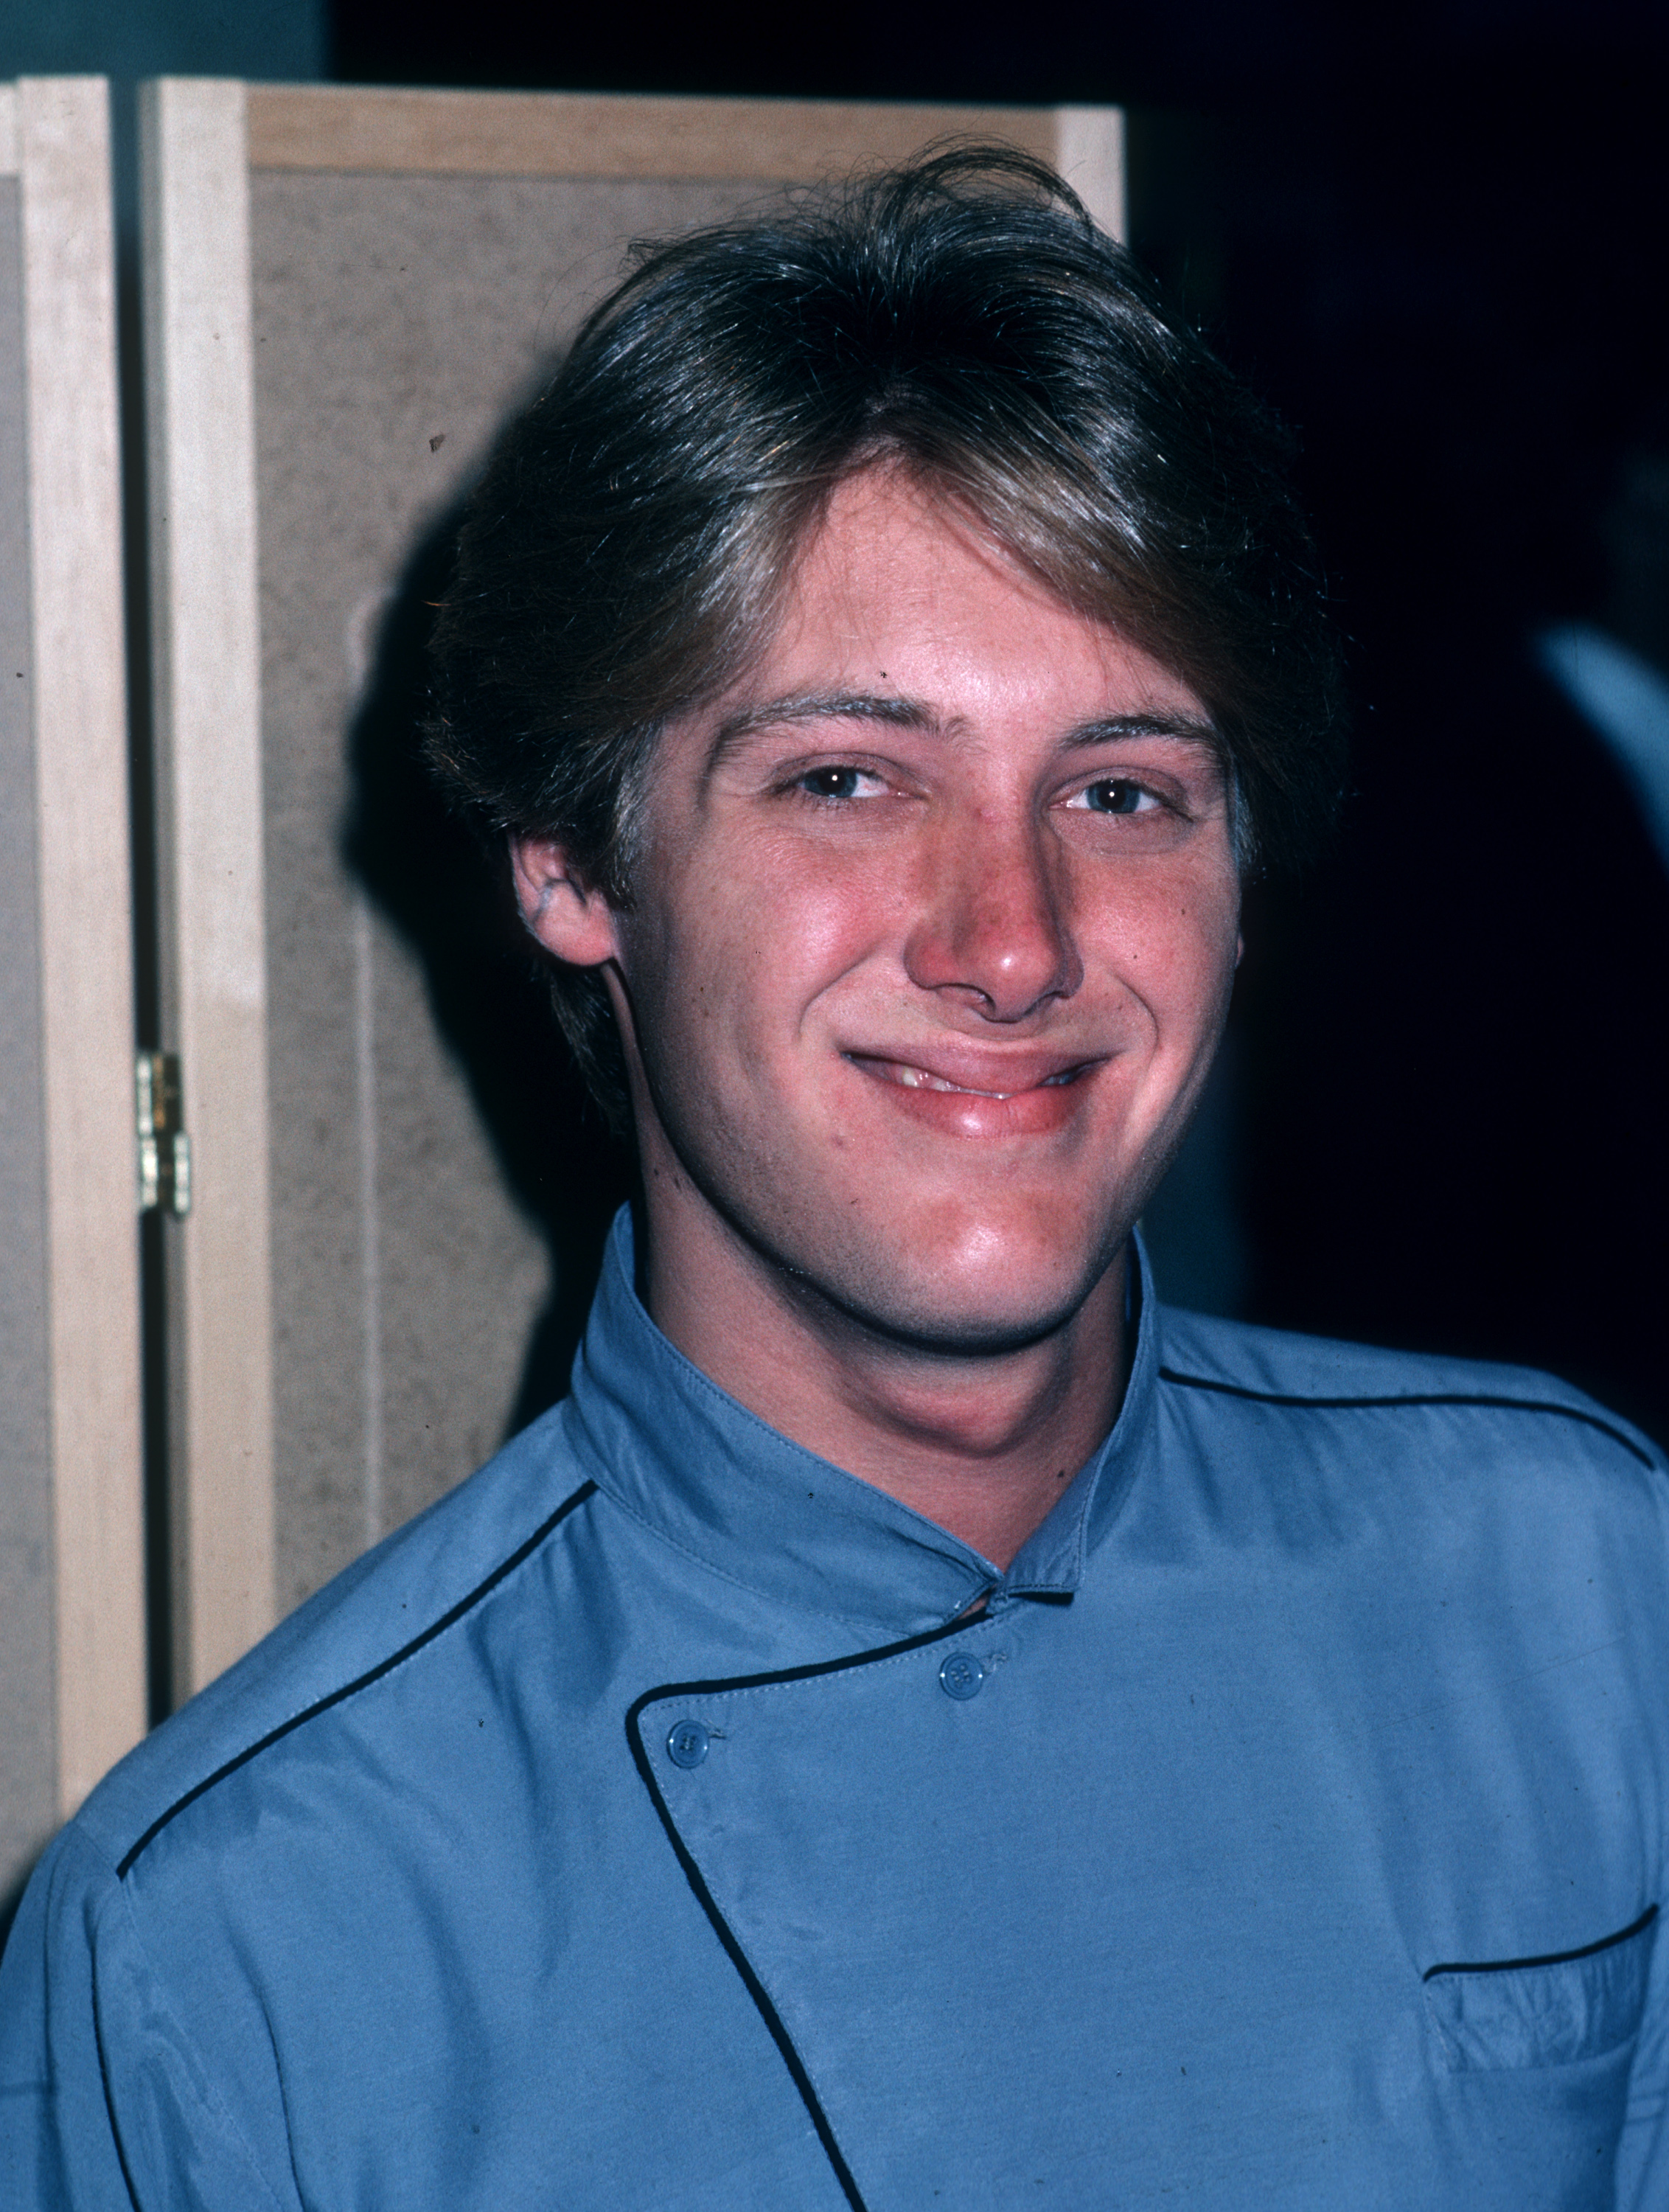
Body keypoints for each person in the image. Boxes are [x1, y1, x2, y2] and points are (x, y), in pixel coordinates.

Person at [2, 150, 1665, 2211]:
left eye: (1126, 791)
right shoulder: (239, 1930)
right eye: (849, 780)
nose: (1016, 939)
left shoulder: (1585, 1577)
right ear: (576, 864)